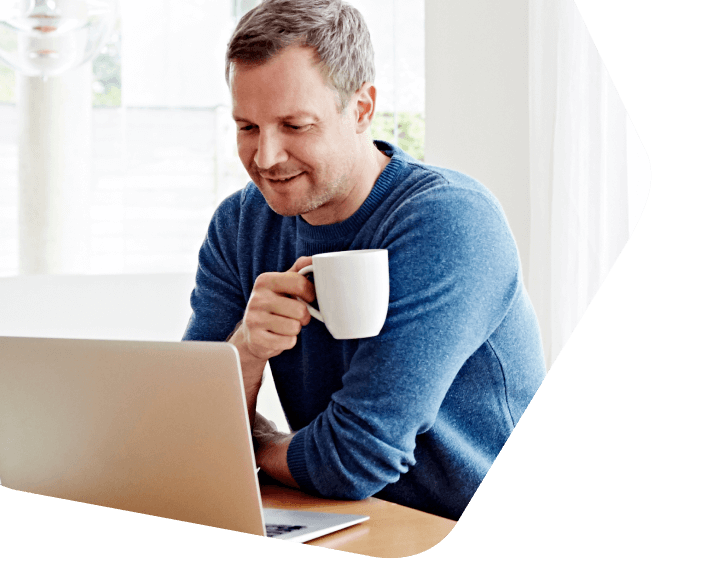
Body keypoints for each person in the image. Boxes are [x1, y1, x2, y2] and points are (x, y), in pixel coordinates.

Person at [182, 0, 546, 521]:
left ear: (361, 110)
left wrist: (252, 445)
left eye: (294, 125)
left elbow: (353, 460)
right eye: (247, 127)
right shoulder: (240, 224)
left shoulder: (449, 222)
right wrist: (245, 350)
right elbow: (187, 430)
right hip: (347, 518)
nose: (264, 158)